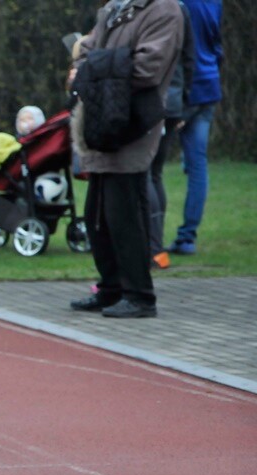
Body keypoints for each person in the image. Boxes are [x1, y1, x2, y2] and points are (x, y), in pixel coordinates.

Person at [69, 0, 184, 319]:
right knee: (97, 214)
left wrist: (91, 68)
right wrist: (92, 62)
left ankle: (139, 296)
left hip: (134, 119)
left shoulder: (164, 11)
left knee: (124, 212)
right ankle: (111, 289)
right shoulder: (114, 9)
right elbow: (84, 49)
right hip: (103, 114)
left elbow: (148, 68)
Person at [168, 0, 222, 256]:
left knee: (149, 166)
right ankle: (188, 236)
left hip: (185, 89)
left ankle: (150, 237)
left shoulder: (177, 4)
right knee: (198, 165)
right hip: (209, 84)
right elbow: (216, 42)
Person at [147, 0, 194, 269]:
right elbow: (190, 59)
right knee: (155, 173)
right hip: (173, 101)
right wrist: (183, 105)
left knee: (145, 172)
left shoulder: (149, 10)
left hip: (154, 101)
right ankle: (157, 246)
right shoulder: (180, 9)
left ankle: (152, 247)